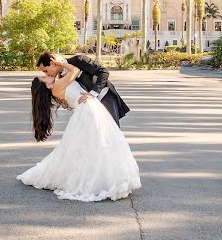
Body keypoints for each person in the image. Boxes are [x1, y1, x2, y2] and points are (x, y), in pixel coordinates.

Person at [16, 58, 141, 202]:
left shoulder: (58, 84)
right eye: (43, 77)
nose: (46, 75)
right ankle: (103, 179)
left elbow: (75, 87)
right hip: (88, 111)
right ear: (45, 86)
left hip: (90, 109)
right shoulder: (56, 86)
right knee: (100, 144)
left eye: (44, 72)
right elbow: (74, 71)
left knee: (95, 145)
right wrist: (62, 64)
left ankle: (103, 177)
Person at [36, 51, 130, 127]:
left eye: (45, 70)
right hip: (90, 108)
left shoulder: (78, 60)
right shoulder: (61, 78)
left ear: (53, 63)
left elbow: (104, 72)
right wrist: (67, 105)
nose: (46, 74)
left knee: (112, 130)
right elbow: (76, 96)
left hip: (104, 96)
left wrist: (92, 93)